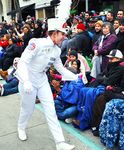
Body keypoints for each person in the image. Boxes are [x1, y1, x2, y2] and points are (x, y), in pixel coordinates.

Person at [16, 18, 77, 150]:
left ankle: (60, 142)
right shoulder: (36, 43)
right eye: (62, 34)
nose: (64, 37)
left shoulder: (57, 50)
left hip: (42, 80)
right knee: (28, 109)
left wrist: (75, 77)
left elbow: (61, 69)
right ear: (54, 34)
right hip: (28, 80)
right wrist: (26, 81)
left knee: (51, 110)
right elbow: (23, 62)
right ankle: (21, 127)